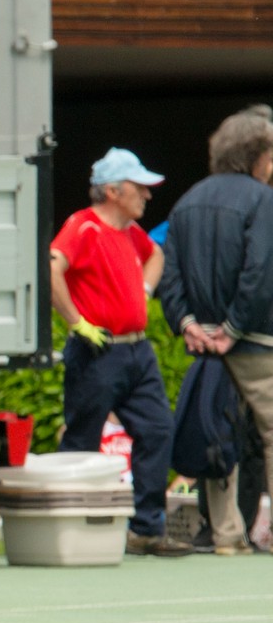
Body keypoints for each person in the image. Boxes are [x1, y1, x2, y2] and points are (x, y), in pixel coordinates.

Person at [50, 147, 190, 556]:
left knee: (157, 430)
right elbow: (52, 266)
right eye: (139, 187)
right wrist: (76, 322)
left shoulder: (131, 232)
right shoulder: (83, 226)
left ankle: (146, 529)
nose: (147, 194)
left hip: (136, 351)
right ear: (113, 191)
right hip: (97, 350)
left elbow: (156, 255)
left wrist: (143, 291)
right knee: (83, 439)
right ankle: (70, 529)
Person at [157, 107, 273, 555]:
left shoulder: (187, 201)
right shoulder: (263, 200)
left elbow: (170, 274)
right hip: (255, 341)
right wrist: (234, 326)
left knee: (216, 430)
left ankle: (226, 535)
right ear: (257, 155)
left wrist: (187, 323)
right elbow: (259, 272)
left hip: (204, 343)